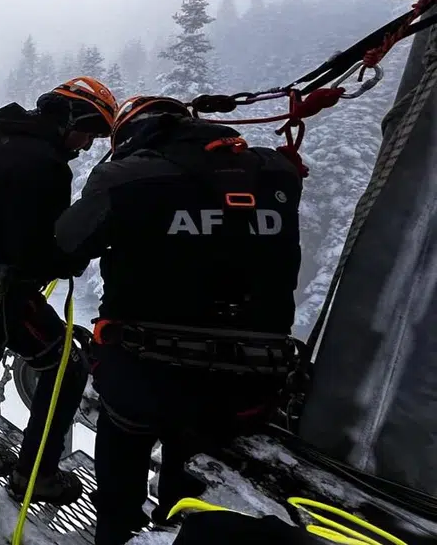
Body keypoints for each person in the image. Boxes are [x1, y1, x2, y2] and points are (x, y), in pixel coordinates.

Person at [55, 95, 304, 545]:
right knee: (189, 472)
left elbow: (69, 242)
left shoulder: (127, 176)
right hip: (253, 380)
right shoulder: (275, 171)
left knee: (122, 460)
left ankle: (117, 533)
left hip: (145, 373)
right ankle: (176, 523)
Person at [0, 77, 118, 505]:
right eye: (89, 130)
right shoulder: (43, 163)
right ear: (70, 117)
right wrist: (78, 254)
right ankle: (36, 476)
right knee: (67, 369)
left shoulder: (4, 137)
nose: (89, 144)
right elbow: (37, 250)